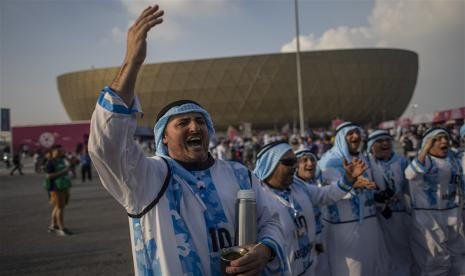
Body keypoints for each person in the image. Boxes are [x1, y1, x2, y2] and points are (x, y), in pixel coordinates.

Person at [88, 5, 287, 275]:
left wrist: (266, 249)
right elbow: (107, 145)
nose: (195, 127)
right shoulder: (148, 179)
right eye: (183, 123)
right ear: (164, 138)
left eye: (201, 121)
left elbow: (272, 219)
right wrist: (131, 63)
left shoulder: (240, 175)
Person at [253, 142, 370, 275]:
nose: (295, 166)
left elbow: (325, 195)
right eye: (289, 162)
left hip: (309, 268)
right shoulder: (256, 197)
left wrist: (347, 179)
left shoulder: (298, 185)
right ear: (269, 164)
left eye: (295, 161)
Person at [318, 122, 389, 276]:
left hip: (369, 222)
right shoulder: (329, 160)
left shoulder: (362, 157)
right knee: (350, 271)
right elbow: (327, 192)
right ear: (341, 138)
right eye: (350, 133)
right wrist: (351, 183)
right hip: (344, 226)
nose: (355, 136)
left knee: (371, 268)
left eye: (357, 132)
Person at [405, 127, 465, 275]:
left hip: (453, 216)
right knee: (435, 264)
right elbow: (410, 174)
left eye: (446, 138)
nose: (444, 141)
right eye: (437, 139)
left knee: (459, 261)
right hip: (430, 220)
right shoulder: (424, 161)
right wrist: (424, 149)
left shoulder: (454, 158)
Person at [366, 130, 414, 276]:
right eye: (380, 141)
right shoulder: (366, 164)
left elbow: (411, 189)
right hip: (374, 217)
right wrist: (378, 198)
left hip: (399, 217)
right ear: (371, 146)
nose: (385, 143)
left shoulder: (402, 162)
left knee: (401, 252)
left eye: (387, 140)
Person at [46, 145, 73, 236]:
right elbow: (49, 176)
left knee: (58, 207)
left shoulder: (61, 160)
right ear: (52, 152)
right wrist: (63, 172)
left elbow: (70, 165)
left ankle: (53, 225)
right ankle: (62, 228)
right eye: (57, 151)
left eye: (60, 150)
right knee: (60, 208)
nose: (60, 152)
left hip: (63, 186)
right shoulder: (50, 162)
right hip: (56, 188)